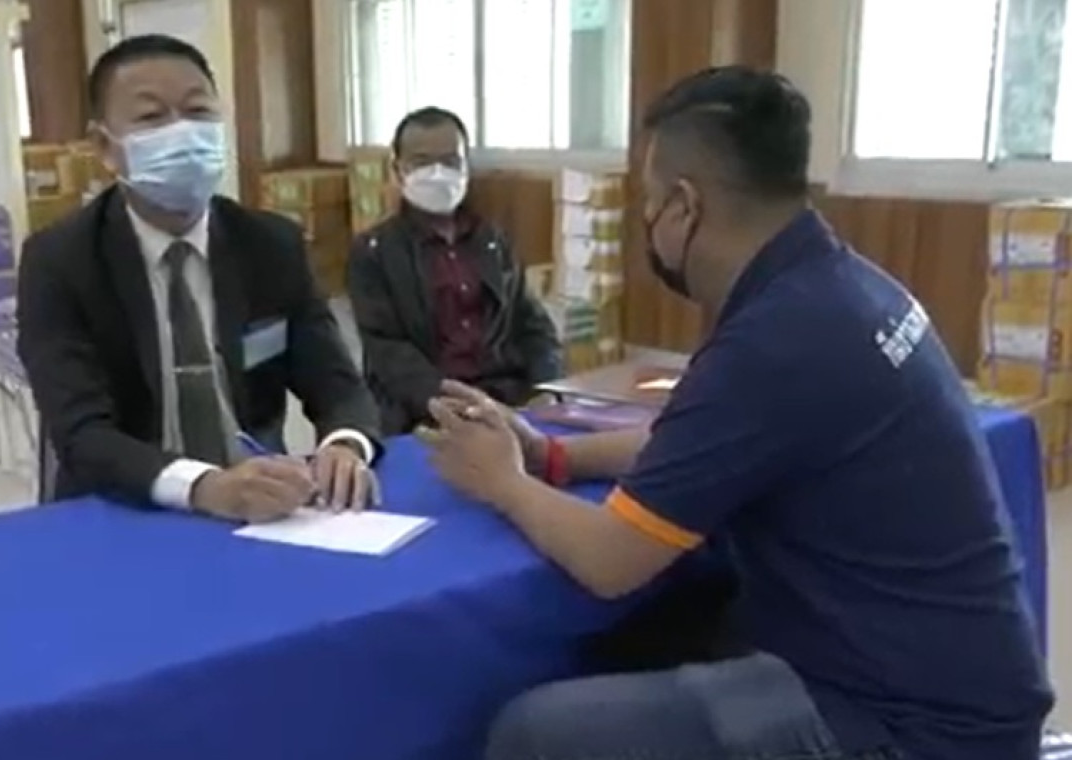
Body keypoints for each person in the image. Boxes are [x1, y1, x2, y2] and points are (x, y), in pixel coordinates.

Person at [422, 67, 1053, 760]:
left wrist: (504, 483)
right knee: (642, 636)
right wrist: (553, 454)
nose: (647, 220)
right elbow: (698, 442)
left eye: (649, 201)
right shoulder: (842, 287)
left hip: (910, 726)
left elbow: (609, 561)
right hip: (944, 676)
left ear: (684, 207)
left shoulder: (775, 341)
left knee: (534, 732)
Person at [17, 35, 382, 521]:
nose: (182, 132)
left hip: (261, 506)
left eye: (197, 112)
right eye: (152, 117)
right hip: (124, 507)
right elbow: (82, 433)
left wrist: (345, 444)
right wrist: (204, 487)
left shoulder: (271, 244)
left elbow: (338, 384)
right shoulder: (59, 260)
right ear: (105, 147)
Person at [346, 106, 563, 434]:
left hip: (505, 399)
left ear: (466, 166)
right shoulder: (374, 252)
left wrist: (546, 387)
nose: (437, 173)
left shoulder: (491, 239)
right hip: (423, 412)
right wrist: (446, 402)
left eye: (450, 161)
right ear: (398, 169)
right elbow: (386, 350)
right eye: (421, 162)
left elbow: (533, 325)